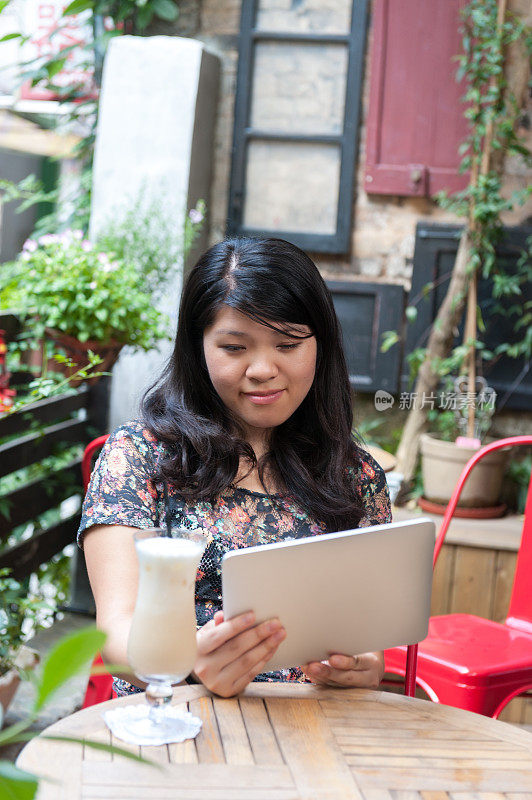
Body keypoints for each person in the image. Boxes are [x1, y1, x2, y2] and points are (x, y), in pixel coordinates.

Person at [79, 236, 392, 699]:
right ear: (198, 347)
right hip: (176, 724)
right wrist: (187, 662)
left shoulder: (356, 476)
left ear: (320, 346)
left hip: (315, 732)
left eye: (287, 344)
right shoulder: (139, 456)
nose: (263, 368)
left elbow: (368, 640)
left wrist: (361, 665)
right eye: (233, 347)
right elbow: (116, 635)